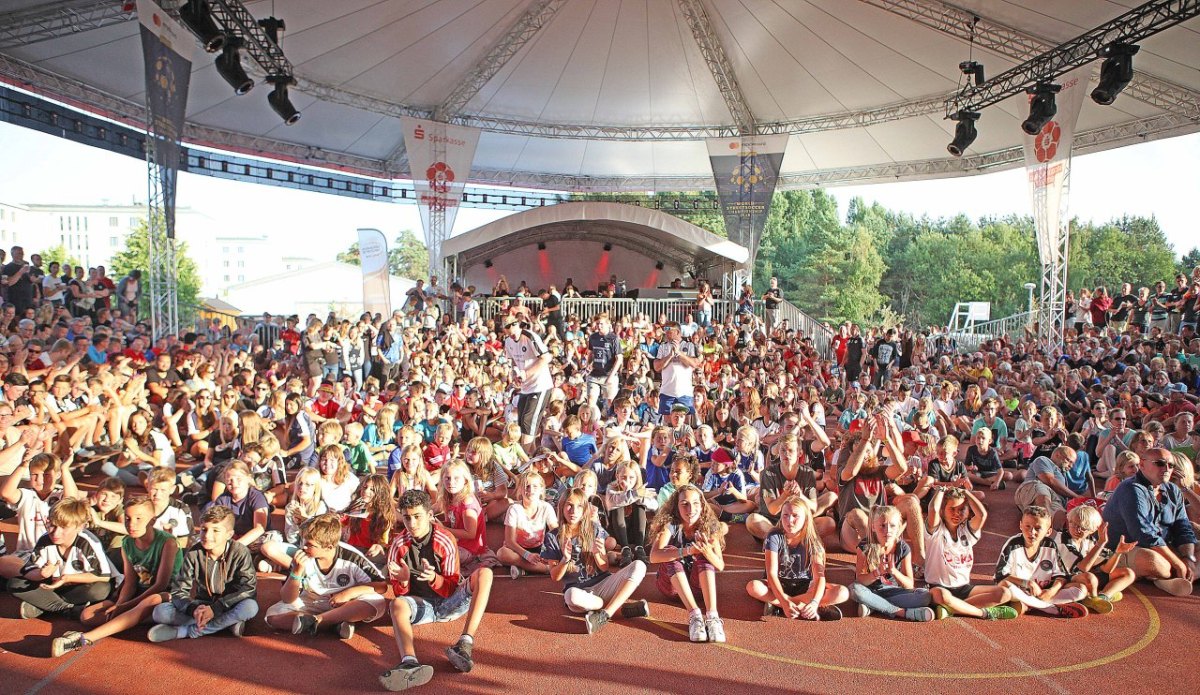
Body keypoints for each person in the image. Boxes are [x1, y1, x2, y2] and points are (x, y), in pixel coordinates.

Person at [380, 490, 494, 691]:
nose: (412, 523)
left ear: (430, 516)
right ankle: (409, 662)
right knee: (395, 604)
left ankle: (464, 643)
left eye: (417, 517)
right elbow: (401, 597)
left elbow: (451, 587)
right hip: (421, 605)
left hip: (449, 603)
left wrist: (434, 578)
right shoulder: (398, 545)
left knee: (485, 574)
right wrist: (405, 581)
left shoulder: (445, 539)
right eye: (407, 517)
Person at [50, 496, 182, 655]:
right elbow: (130, 582)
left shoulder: (168, 542)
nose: (132, 524)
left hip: (166, 595)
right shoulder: (126, 543)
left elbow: (161, 584)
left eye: (139, 519)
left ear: (152, 521)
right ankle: (137, 618)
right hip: (140, 593)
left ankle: (83, 639)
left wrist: (124, 607)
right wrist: (119, 604)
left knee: (151, 601)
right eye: (127, 518)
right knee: (87, 616)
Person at [265, 513, 388, 639]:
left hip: (344, 604)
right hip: (311, 601)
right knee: (272, 616)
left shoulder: (352, 557)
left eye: (310, 545)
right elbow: (288, 599)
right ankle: (334, 623)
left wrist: (349, 593)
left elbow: (382, 586)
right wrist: (296, 572)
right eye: (304, 542)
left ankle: (316, 621)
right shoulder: (303, 557)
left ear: (329, 547)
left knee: (377, 602)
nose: (304, 547)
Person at [543, 488, 650, 633]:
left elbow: (604, 567)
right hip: (581, 593)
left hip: (604, 584)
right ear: (561, 506)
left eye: (579, 506)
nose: (573, 511)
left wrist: (598, 554)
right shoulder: (552, 537)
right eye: (569, 505)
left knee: (639, 565)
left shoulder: (594, 528)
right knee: (570, 596)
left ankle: (605, 614)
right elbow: (555, 576)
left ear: (584, 509)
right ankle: (621, 609)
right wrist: (565, 560)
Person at [149, 505, 258, 641]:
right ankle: (226, 625)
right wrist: (193, 609)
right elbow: (179, 591)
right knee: (160, 612)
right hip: (202, 605)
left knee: (250, 607)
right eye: (204, 530)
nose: (207, 536)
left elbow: (249, 588)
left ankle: (186, 632)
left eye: (215, 531)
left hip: (230, 605)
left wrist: (216, 608)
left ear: (229, 534)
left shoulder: (240, 552)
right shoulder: (194, 553)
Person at [1102, 446, 1197, 596]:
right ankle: (1177, 574)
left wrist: (1188, 557)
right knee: (1151, 559)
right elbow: (1143, 533)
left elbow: (1182, 526)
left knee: (1190, 542)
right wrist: (1177, 562)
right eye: (1160, 463)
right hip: (1130, 548)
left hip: (1164, 546)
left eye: (1171, 465)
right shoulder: (1131, 488)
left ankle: (1169, 577)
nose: (1166, 468)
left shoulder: (1173, 490)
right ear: (1142, 465)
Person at [9, 497, 121, 620]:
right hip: (54, 587)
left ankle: (45, 606)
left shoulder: (88, 542)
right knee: (15, 583)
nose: (56, 533)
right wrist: (41, 574)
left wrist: (67, 578)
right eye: (52, 525)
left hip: (78, 587)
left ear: (80, 527)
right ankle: (67, 610)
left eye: (64, 527)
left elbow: (103, 576)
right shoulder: (45, 540)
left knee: (100, 590)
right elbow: (27, 571)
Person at [746, 495, 848, 621]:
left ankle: (781, 606)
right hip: (779, 585)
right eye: (785, 515)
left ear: (805, 519)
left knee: (842, 592)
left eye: (795, 516)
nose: (789, 520)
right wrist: (783, 600)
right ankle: (806, 608)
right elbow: (771, 574)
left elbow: (819, 577)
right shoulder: (773, 536)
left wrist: (815, 601)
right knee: (753, 586)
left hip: (805, 587)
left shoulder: (813, 541)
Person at [648, 484, 727, 642]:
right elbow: (654, 557)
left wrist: (706, 550)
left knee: (706, 555)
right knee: (670, 552)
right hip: (671, 588)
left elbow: (720, 565)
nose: (690, 509)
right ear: (676, 506)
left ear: (702, 505)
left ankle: (712, 617)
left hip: (697, 587)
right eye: (685, 504)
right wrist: (687, 551)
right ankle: (695, 616)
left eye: (695, 503)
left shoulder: (708, 527)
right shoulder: (670, 526)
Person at [925, 487, 1016, 620]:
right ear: (943, 511)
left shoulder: (967, 532)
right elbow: (933, 509)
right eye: (952, 509)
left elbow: (982, 515)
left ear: (968, 512)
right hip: (939, 587)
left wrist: (966, 492)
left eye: (962, 509)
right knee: (942, 596)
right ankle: (983, 613)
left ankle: (952, 610)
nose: (956, 513)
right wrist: (941, 490)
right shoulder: (937, 532)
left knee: (1004, 593)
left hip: (964, 588)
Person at [993, 505, 1088, 618]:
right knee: (1005, 586)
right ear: (1020, 526)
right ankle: (1051, 608)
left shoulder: (1050, 545)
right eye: (1027, 526)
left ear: (1048, 531)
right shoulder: (1013, 545)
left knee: (1081, 589)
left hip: (1043, 593)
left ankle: (1032, 605)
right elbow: (1000, 577)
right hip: (1020, 591)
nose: (1032, 532)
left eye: (1038, 528)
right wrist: (1027, 583)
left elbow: (1062, 575)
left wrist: (1052, 591)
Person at [849, 505, 934, 621]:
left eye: (892, 526)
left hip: (893, 592)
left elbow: (909, 585)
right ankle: (903, 613)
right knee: (855, 590)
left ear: (898, 527)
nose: (888, 530)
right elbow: (860, 580)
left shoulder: (903, 548)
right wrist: (877, 572)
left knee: (925, 596)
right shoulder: (865, 546)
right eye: (882, 526)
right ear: (873, 527)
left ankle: (874, 606)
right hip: (869, 590)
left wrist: (893, 571)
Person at [503, 317, 552, 453]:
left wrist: (526, 373)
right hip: (525, 387)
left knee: (528, 421)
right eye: (508, 328)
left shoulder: (530, 336)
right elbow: (513, 360)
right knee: (522, 424)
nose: (511, 332)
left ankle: (522, 460)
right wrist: (515, 373)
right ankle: (532, 459)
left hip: (540, 385)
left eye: (513, 326)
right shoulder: (508, 342)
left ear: (518, 325)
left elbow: (546, 357)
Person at [654, 321, 701, 416]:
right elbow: (656, 367)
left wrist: (679, 353)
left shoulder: (689, 345)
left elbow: (694, 363)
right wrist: (670, 356)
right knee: (667, 424)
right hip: (667, 392)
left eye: (668, 330)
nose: (665, 332)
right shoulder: (663, 346)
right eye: (664, 329)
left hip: (685, 393)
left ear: (678, 332)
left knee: (685, 423)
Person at [585, 313, 622, 412]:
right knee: (590, 402)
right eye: (597, 324)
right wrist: (588, 364)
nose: (599, 326)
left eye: (601, 324)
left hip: (608, 374)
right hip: (595, 374)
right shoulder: (593, 337)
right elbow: (591, 353)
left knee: (611, 403)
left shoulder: (613, 339)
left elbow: (619, 359)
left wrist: (611, 376)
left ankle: (610, 422)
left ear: (607, 324)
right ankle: (593, 423)